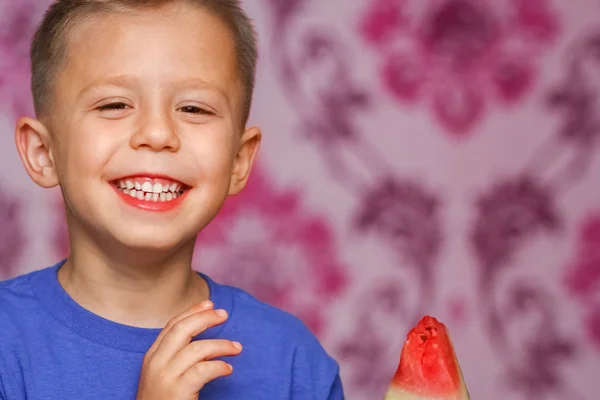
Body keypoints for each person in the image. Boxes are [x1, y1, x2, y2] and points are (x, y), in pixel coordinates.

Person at [0, 0, 345, 398]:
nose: (159, 133)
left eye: (194, 108)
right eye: (115, 104)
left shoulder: (293, 361)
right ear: (44, 153)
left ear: (238, 160)